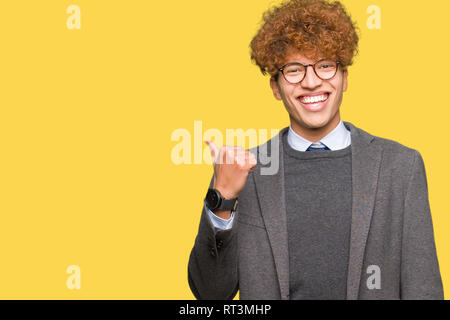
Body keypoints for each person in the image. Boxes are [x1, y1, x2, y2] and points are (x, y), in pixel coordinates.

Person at [188, 0, 443, 300]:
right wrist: (222, 201)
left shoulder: (401, 167)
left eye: (325, 66)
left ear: (344, 77)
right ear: (275, 86)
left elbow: (423, 289)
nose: (311, 82)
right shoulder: (244, 172)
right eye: (294, 69)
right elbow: (211, 295)